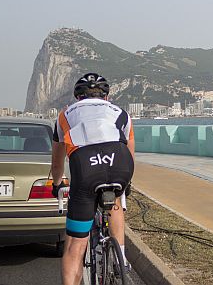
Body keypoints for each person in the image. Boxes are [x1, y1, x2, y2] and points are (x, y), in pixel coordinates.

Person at [50, 72, 135, 285]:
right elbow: (130, 152)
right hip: (120, 163)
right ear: (106, 97)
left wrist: (57, 183)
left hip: (86, 166)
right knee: (115, 199)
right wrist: (127, 183)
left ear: (78, 98)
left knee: (75, 245)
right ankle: (120, 259)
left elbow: (57, 162)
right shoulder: (121, 112)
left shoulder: (65, 114)